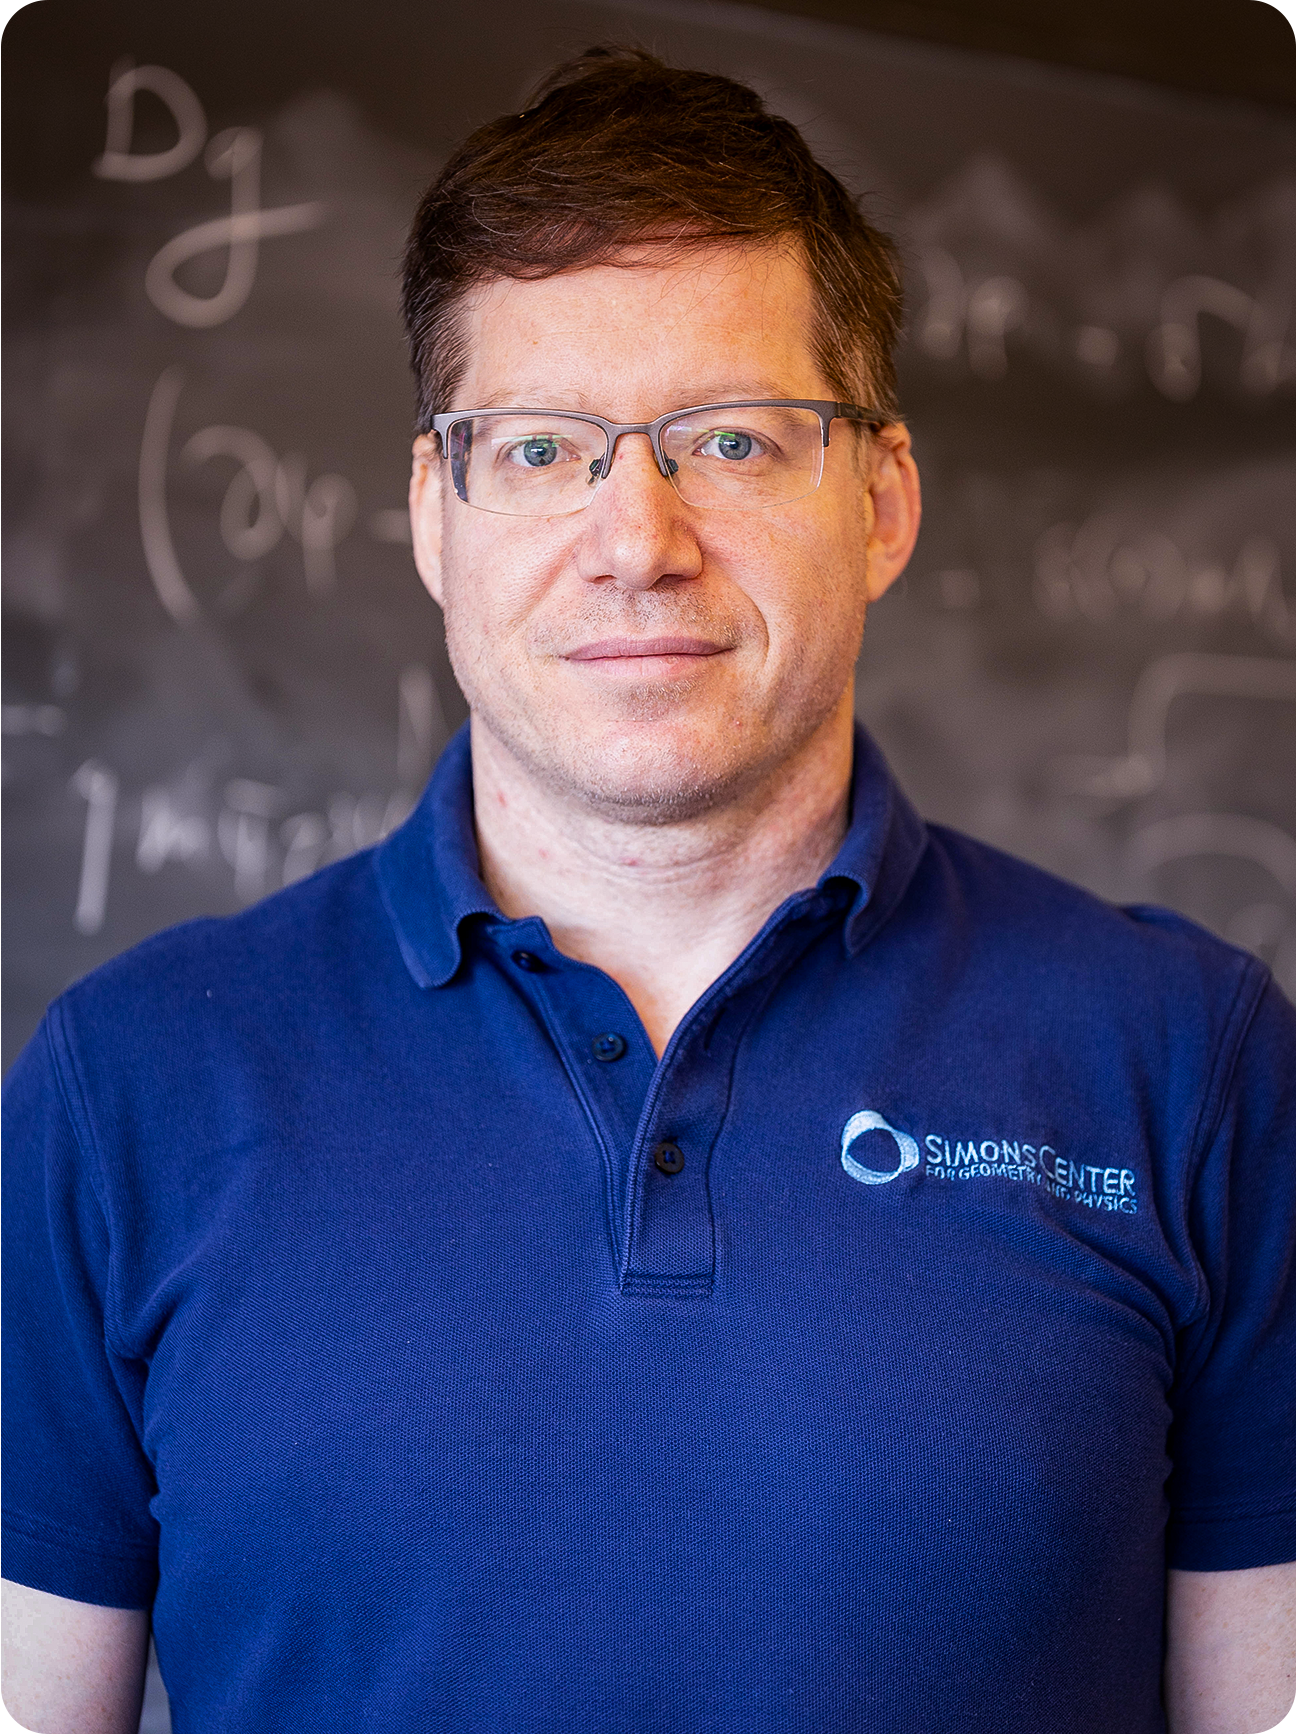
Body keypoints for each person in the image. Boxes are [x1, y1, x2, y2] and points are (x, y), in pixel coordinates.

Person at [2, 45, 1293, 1736]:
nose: (638, 536)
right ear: (430, 510)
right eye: (540, 449)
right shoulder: (127, 1088)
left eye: (733, 440)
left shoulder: (1192, 1065)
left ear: (881, 501)